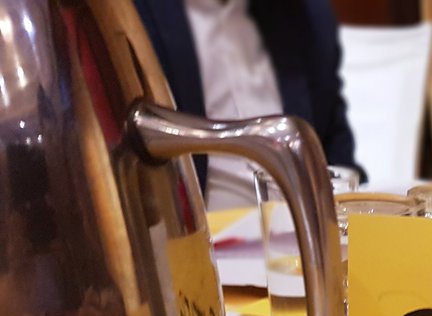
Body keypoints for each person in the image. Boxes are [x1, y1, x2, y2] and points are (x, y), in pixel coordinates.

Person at [133, 0, 363, 208]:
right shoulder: (133, 16)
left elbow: (334, 152)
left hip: (299, 232)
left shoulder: (307, 16)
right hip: (198, 233)